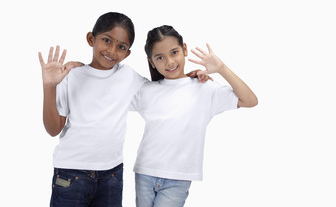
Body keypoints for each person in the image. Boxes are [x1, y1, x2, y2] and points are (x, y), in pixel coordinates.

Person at [130, 25, 258, 207]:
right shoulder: (146, 91)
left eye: (174, 52)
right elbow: (108, 96)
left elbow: (250, 100)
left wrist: (221, 68)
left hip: (178, 178)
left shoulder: (204, 88)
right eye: (160, 57)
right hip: (145, 172)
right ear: (151, 62)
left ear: (184, 50)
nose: (169, 62)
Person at [38, 12, 148, 207]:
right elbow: (53, 129)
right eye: (106, 40)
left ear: (128, 53)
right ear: (91, 38)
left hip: (111, 176)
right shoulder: (71, 75)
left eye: (121, 47)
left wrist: (185, 76)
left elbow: (161, 92)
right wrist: (49, 87)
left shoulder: (128, 77)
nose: (112, 51)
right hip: (71, 174)